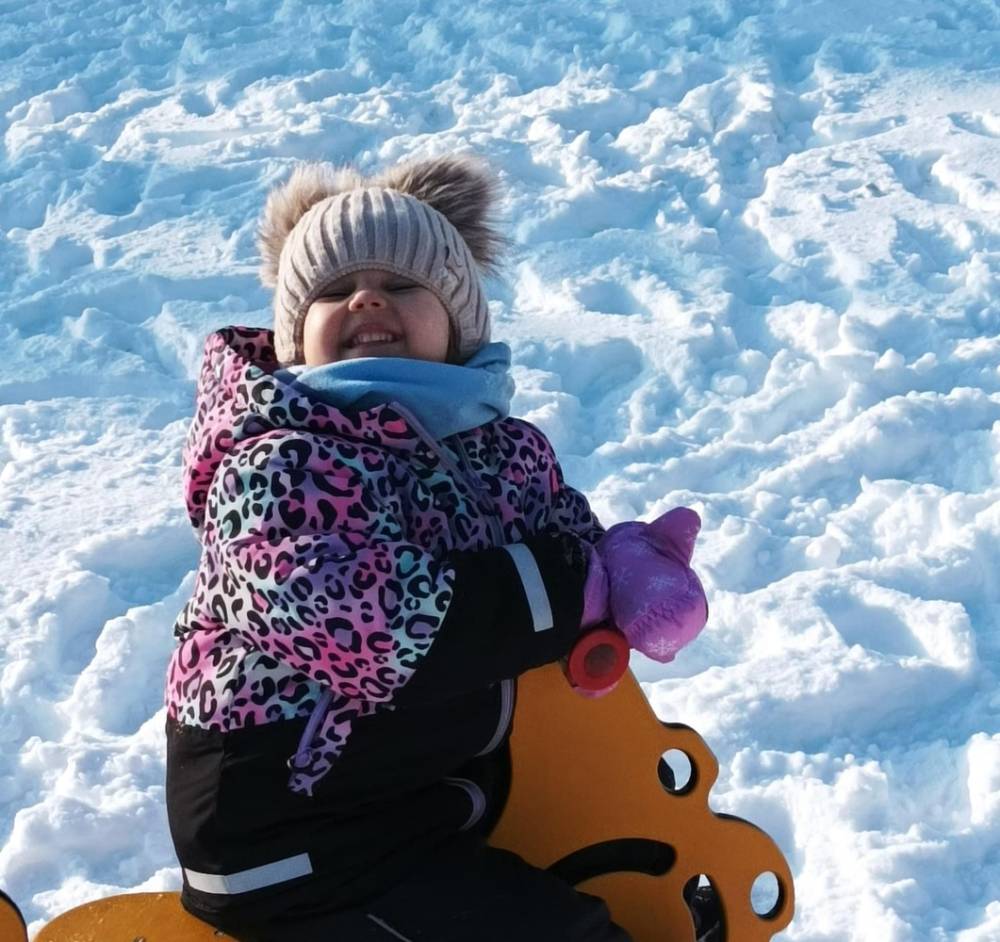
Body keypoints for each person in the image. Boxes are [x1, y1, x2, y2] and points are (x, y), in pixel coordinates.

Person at [164, 153, 708, 942]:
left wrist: (626, 566)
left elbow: (564, 542)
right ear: (293, 338)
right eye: (331, 290)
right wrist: (566, 591)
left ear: (459, 322)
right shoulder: (279, 461)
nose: (366, 298)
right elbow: (362, 622)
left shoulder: (499, 449)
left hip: (428, 794)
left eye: (401, 283)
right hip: (292, 838)